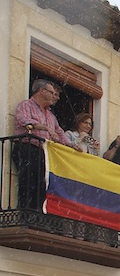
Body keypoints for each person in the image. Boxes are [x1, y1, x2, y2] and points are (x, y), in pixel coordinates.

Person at [13, 80, 74, 210]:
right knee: (28, 182)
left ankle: (37, 215)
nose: (54, 96)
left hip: (43, 152)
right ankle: (26, 214)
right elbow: (22, 120)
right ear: (42, 91)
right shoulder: (26, 105)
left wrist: (71, 145)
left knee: (42, 185)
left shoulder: (51, 115)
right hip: (27, 148)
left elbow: (59, 132)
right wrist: (44, 127)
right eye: (51, 92)